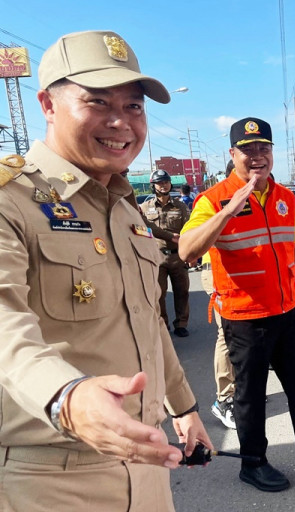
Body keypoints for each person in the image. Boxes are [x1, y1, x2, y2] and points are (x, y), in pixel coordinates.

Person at [0, 30, 211, 512]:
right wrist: (67, 397)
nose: (121, 122)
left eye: (134, 106)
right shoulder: (11, 201)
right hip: (49, 480)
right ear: (47, 105)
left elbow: (148, 321)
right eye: (97, 101)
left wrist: (184, 407)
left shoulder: (125, 207)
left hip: (148, 465)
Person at [178, 117, 295, 494]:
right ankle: (253, 465)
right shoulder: (212, 200)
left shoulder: (285, 197)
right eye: (248, 149)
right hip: (244, 319)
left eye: (263, 148)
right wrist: (228, 211)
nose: (257, 156)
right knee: (250, 397)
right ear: (233, 154)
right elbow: (187, 251)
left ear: (272, 152)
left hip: (288, 312)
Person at [201, 159, 237, 430]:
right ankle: (224, 400)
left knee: (244, 332)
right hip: (217, 273)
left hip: (239, 276)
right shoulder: (214, 200)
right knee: (227, 334)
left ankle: (241, 388)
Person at [141, 169, 191, 337]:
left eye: (166, 182)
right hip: (156, 256)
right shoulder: (145, 208)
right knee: (159, 293)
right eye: (160, 183)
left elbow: (189, 229)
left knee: (182, 292)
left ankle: (181, 324)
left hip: (178, 256)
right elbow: (143, 229)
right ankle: (163, 324)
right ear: (153, 186)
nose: (163, 185)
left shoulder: (180, 206)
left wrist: (191, 253)